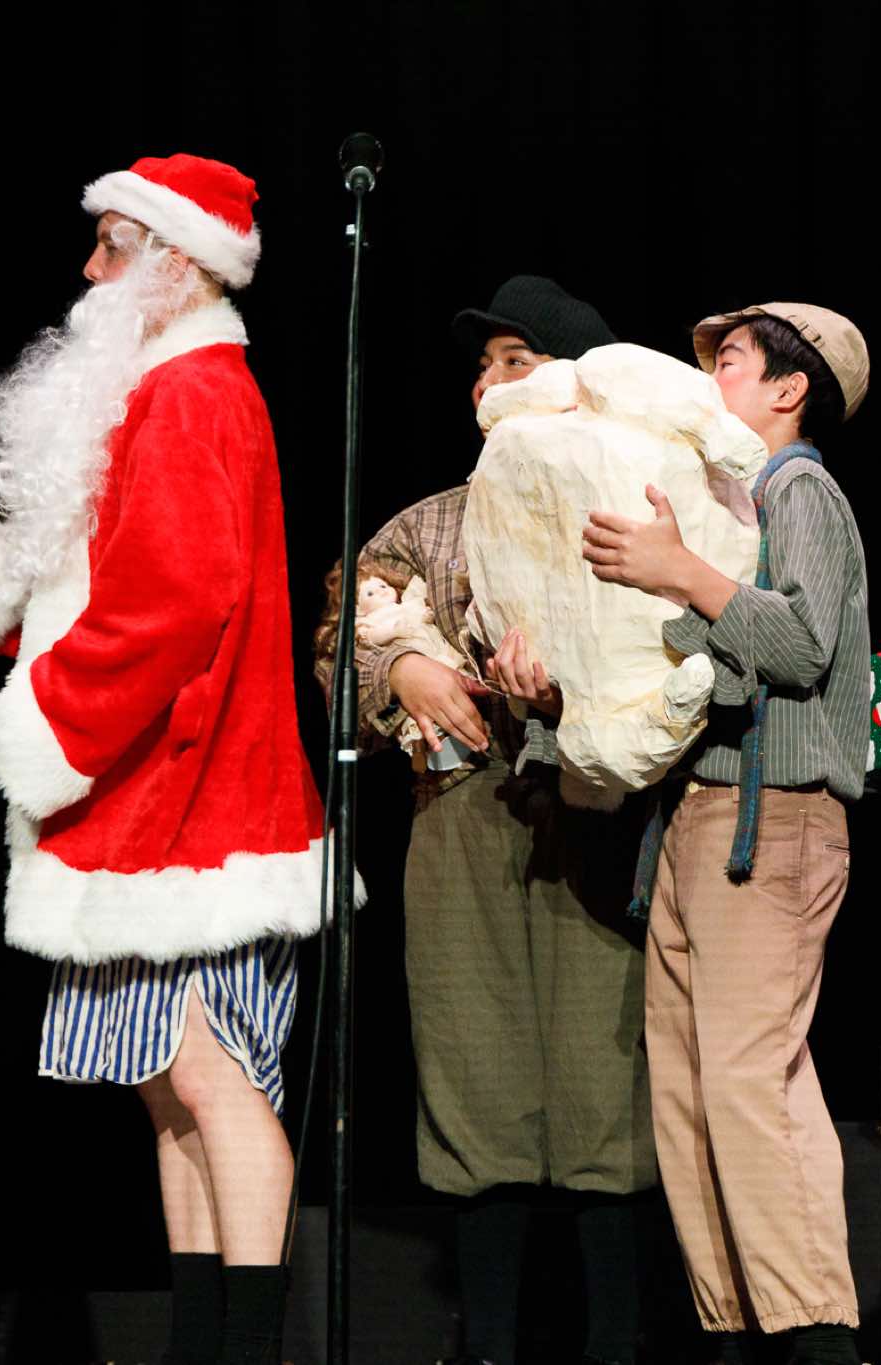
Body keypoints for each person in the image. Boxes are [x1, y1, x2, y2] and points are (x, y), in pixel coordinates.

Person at [0, 154, 324, 1365]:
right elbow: (100, 600)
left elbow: (171, 603)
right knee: (171, 1089)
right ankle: (201, 1340)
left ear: (177, 263)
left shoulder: (194, 393)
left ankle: (246, 1348)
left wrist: (50, 730)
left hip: (198, 797)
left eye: (113, 247)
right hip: (149, 794)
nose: (88, 271)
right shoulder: (157, 392)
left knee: (214, 1079)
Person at [314, 275, 659, 1365]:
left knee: (606, 1088)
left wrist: (573, 692)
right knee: (476, 1080)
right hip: (461, 812)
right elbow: (339, 638)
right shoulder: (428, 523)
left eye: (516, 361)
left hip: (598, 812)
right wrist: (402, 665)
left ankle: (617, 1343)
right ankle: (493, 1345)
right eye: (483, 365)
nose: (488, 382)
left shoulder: (632, 501)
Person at [575, 303, 871, 1365]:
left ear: (790, 389)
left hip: (772, 817)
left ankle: (815, 1334)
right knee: (688, 1093)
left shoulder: (800, 491)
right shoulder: (719, 505)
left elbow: (801, 643)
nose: (709, 381)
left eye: (732, 362)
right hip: (695, 820)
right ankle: (736, 1327)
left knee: (749, 1083)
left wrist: (680, 574)